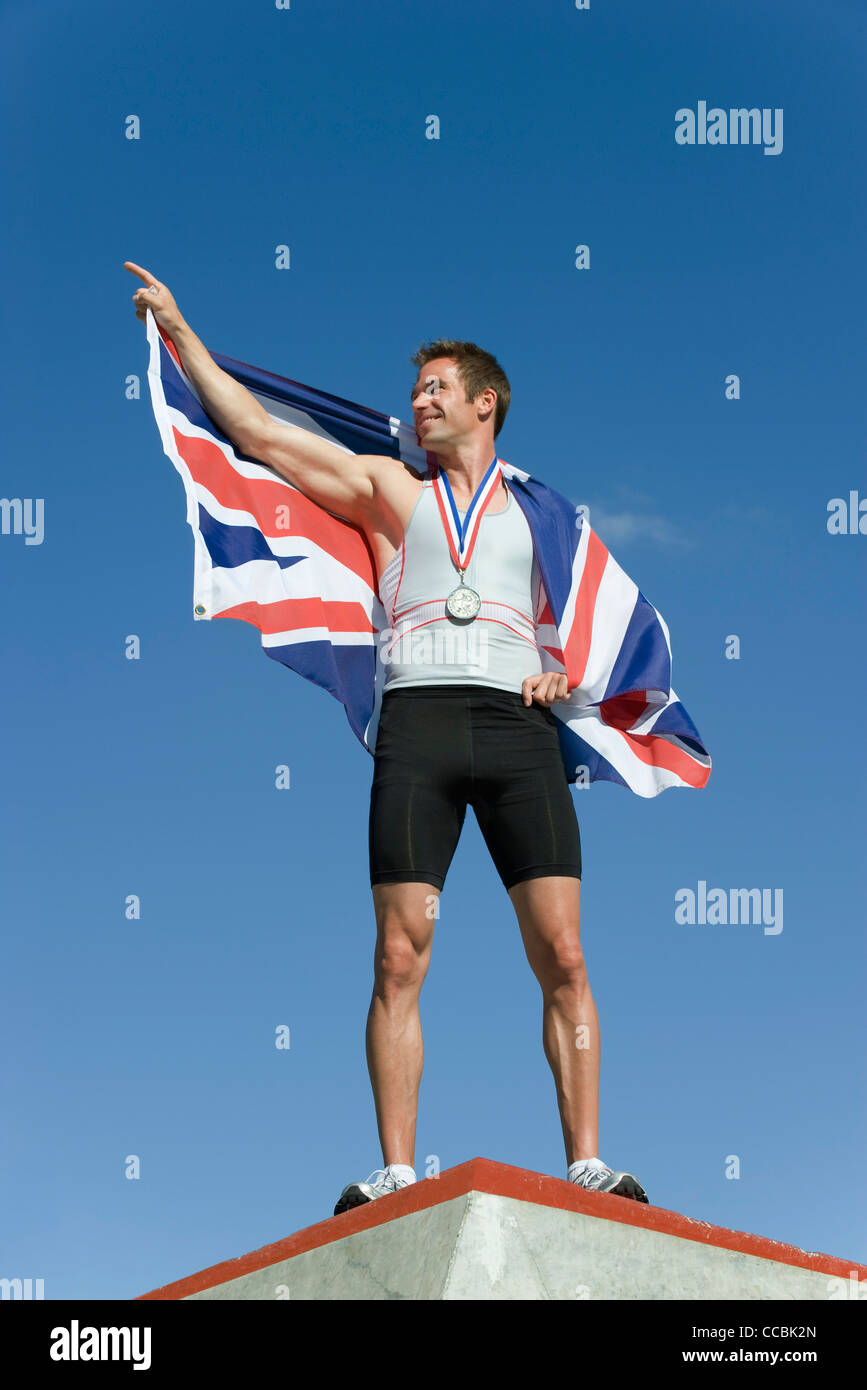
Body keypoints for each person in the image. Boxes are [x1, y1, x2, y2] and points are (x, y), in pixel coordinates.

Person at [125, 261, 649, 1212]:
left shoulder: (546, 515)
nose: (418, 402)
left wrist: (564, 673)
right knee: (399, 953)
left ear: (485, 403)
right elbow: (256, 431)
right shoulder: (381, 488)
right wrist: (178, 330)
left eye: (436, 389)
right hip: (419, 728)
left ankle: (587, 1165)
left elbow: (609, 633)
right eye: (416, 390)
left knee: (564, 956)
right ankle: (399, 1172)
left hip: (518, 728)